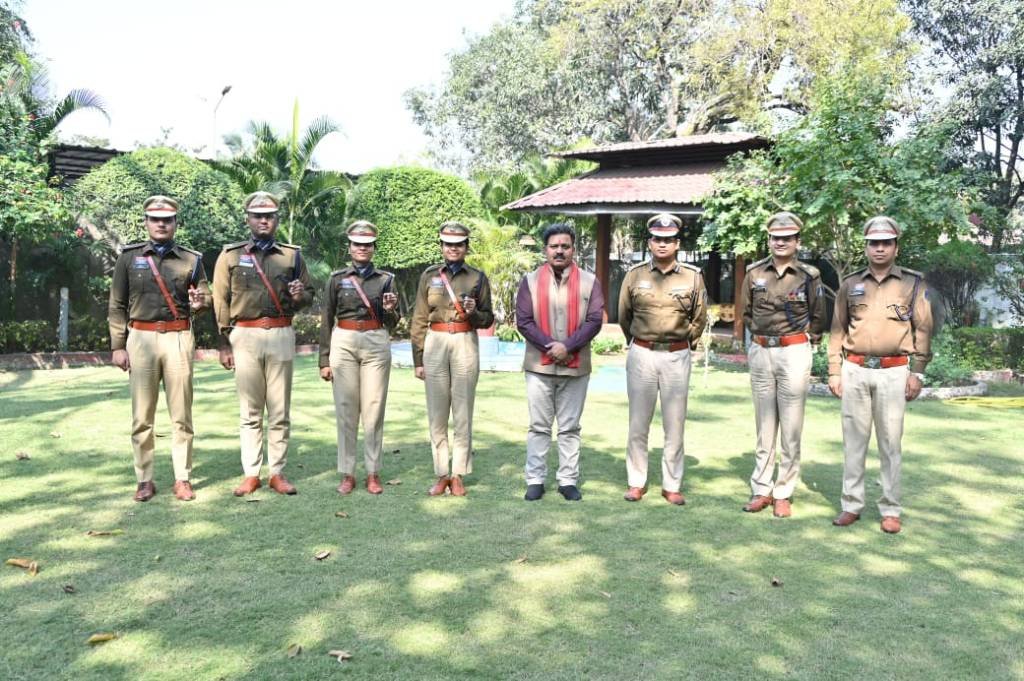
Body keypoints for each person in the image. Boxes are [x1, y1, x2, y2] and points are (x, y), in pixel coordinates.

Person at [828, 216, 933, 534]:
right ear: (866, 247)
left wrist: (918, 373)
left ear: (896, 247)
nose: (880, 248)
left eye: (886, 243)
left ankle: (890, 508)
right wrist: (834, 371)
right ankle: (851, 504)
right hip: (855, 370)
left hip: (893, 371)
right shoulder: (850, 284)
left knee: (890, 443)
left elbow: (923, 329)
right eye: (874, 243)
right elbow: (837, 330)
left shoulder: (913, 284)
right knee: (854, 442)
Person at [108, 195, 211, 502]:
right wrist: (118, 345)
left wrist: (200, 302)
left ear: (175, 223)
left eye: (167, 220)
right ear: (146, 222)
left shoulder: (191, 260)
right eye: (155, 219)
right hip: (140, 338)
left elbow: (204, 296)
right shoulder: (129, 258)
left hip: (178, 337)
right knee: (142, 415)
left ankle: (182, 478)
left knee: (181, 414)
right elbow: (117, 304)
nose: (161, 224)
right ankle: (144, 479)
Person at [212, 191, 313, 497]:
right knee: (250, 410)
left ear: (277, 219)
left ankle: (277, 473)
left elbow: (308, 295)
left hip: (281, 333)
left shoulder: (291, 256)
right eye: (258, 216)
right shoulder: (230, 255)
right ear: (248, 219)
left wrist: (300, 295)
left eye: (269, 216)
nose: (264, 221)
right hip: (245, 335)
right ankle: (251, 473)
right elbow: (221, 300)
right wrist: (224, 342)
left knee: (280, 409)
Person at [738, 212, 826, 518]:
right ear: (769, 240)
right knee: (764, 424)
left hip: (794, 351)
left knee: (791, 425)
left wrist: (804, 339)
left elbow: (818, 315)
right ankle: (761, 488)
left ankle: (783, 491)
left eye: (787, 238)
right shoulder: (754, 273)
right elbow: (746, 313)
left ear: (797, 242)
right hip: (762, 351)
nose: (780, 242)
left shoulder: (809, 276)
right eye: (776, 238)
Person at [618, 213, 707, 505]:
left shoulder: (692, 276)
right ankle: (636, 481)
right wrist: (637, 342)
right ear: (650, 242)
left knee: (675, 423)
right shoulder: (635, 275)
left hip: (676, 355)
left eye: (669, 239)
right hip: (642, 354)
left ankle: (672, 484)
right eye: (657, 239)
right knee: (638, 422)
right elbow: (624, 315)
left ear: (677, 243)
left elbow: (699, 317)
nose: (663, 244)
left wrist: (684, 342)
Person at [515, 223, 604, 501]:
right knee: (538, 426)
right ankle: (535, 479)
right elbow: (524, 321)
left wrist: (568, 346)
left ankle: (567, 480)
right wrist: (552, 347)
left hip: (576, 367)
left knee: (570, 427)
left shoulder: (590, 281)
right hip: (538, 366)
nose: (560, 251)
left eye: (565, 246)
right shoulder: (530, 281)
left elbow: (594, 321)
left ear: (573, 249)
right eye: (554, 246)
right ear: (545, 250)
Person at [410, 221, 494, 497]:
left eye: (459, 244)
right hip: (435, 341)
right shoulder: (429, 276)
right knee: (437, 412)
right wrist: (418, 359)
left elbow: (487, 319)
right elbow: (419, 318)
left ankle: (457, 474)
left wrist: (473, 312)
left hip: (464, 340)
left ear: (466, 247)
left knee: (462, 410)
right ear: (442, 247)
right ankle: (441, 474)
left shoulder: (477, 278)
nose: (453, 248)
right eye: (448, 244)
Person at [319, 221, 400, 495]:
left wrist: (391, 310)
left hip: (376, 340)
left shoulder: (386, 279)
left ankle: (373, 472)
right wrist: (324, 359)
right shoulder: (336, 279)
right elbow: (326, 318)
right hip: (344, 341)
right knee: (346, 409)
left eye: (367, 244)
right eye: (357, 244)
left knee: (373, 409)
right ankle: (348, 473)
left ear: (374, 248)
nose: (362, 248)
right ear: (350, 247)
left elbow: (393, 322)